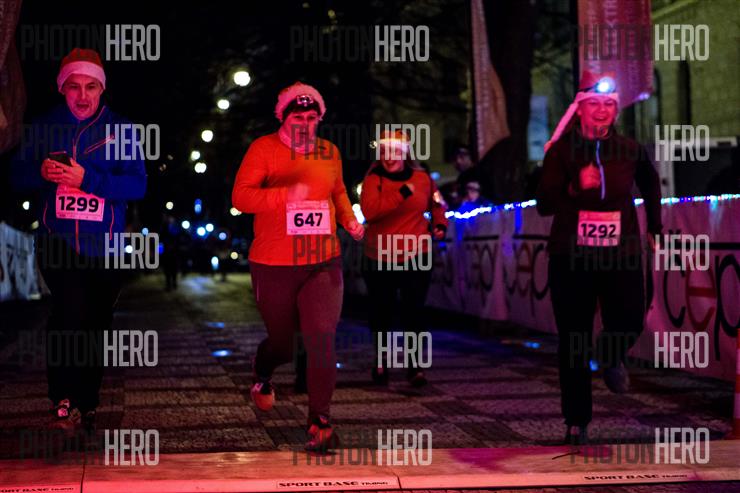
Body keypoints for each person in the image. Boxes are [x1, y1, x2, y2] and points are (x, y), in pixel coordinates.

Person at [10, 48, 147, 434]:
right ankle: (63, 398)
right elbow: (16, 177)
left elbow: (137, 185)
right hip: (57, 240)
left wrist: (87, 180)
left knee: (96, 322)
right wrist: (39, 173)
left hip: (105, 245)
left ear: (102, 89)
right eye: (74, 87)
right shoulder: (43, 127)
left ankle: (86, 402)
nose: (82, 95)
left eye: (90, 87)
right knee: (69, 310)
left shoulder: (121, 130)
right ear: (62, 89)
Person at [231, 82, 364, 451]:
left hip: (323, 260)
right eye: (297, 118)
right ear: (283, 118)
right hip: (273, 263)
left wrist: (349, 220)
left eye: (311, 118)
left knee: (321, 337)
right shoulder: (263, 149)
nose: (305, 124)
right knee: (285, 345)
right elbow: (240, 197)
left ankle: (320, 420)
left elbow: (338, 191)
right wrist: (285, 196)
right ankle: (263, 368)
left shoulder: (329, 151)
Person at [536, 71, 662, 445]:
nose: (603, 110)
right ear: (580, 110)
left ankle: (610, 353)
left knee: (631, 318)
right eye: (595, 104)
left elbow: (651, 183)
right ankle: (577, 420)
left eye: (609, 104)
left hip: (621, 254)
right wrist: (575, 187)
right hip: (571, 257)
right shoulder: (561, 151)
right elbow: (544, 203)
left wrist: (655, 225)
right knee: (574, 338)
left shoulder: (629, 149)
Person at [360, 129, 448, 387]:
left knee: (414, 311)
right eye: (385, 151)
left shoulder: (423, 179)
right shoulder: (373, 179)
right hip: (380, 256)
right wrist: (401, 194)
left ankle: (415, 367)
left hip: (416, 254)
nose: (389, 157)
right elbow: (371, 212)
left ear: (405, 153)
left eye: (395, 151)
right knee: (381, 312)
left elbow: (437, 204)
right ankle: (381, 362)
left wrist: (440, 224)